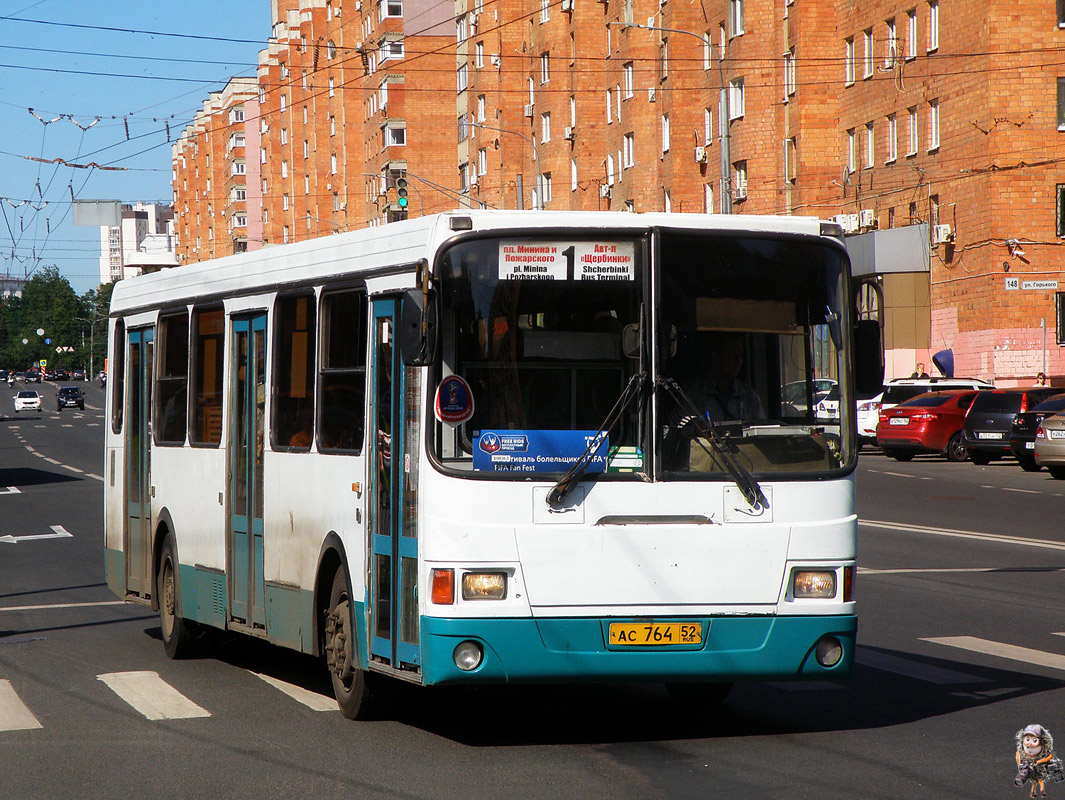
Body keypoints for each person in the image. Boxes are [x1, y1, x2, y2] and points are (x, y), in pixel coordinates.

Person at [676, 333, 766, 424]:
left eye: (741, 356)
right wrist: (695, 427)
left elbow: (763, 428)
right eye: (732, 355)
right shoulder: (694, 392)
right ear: (716, 356)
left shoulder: (749, 395)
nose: (738, 362)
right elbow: (678, 425)